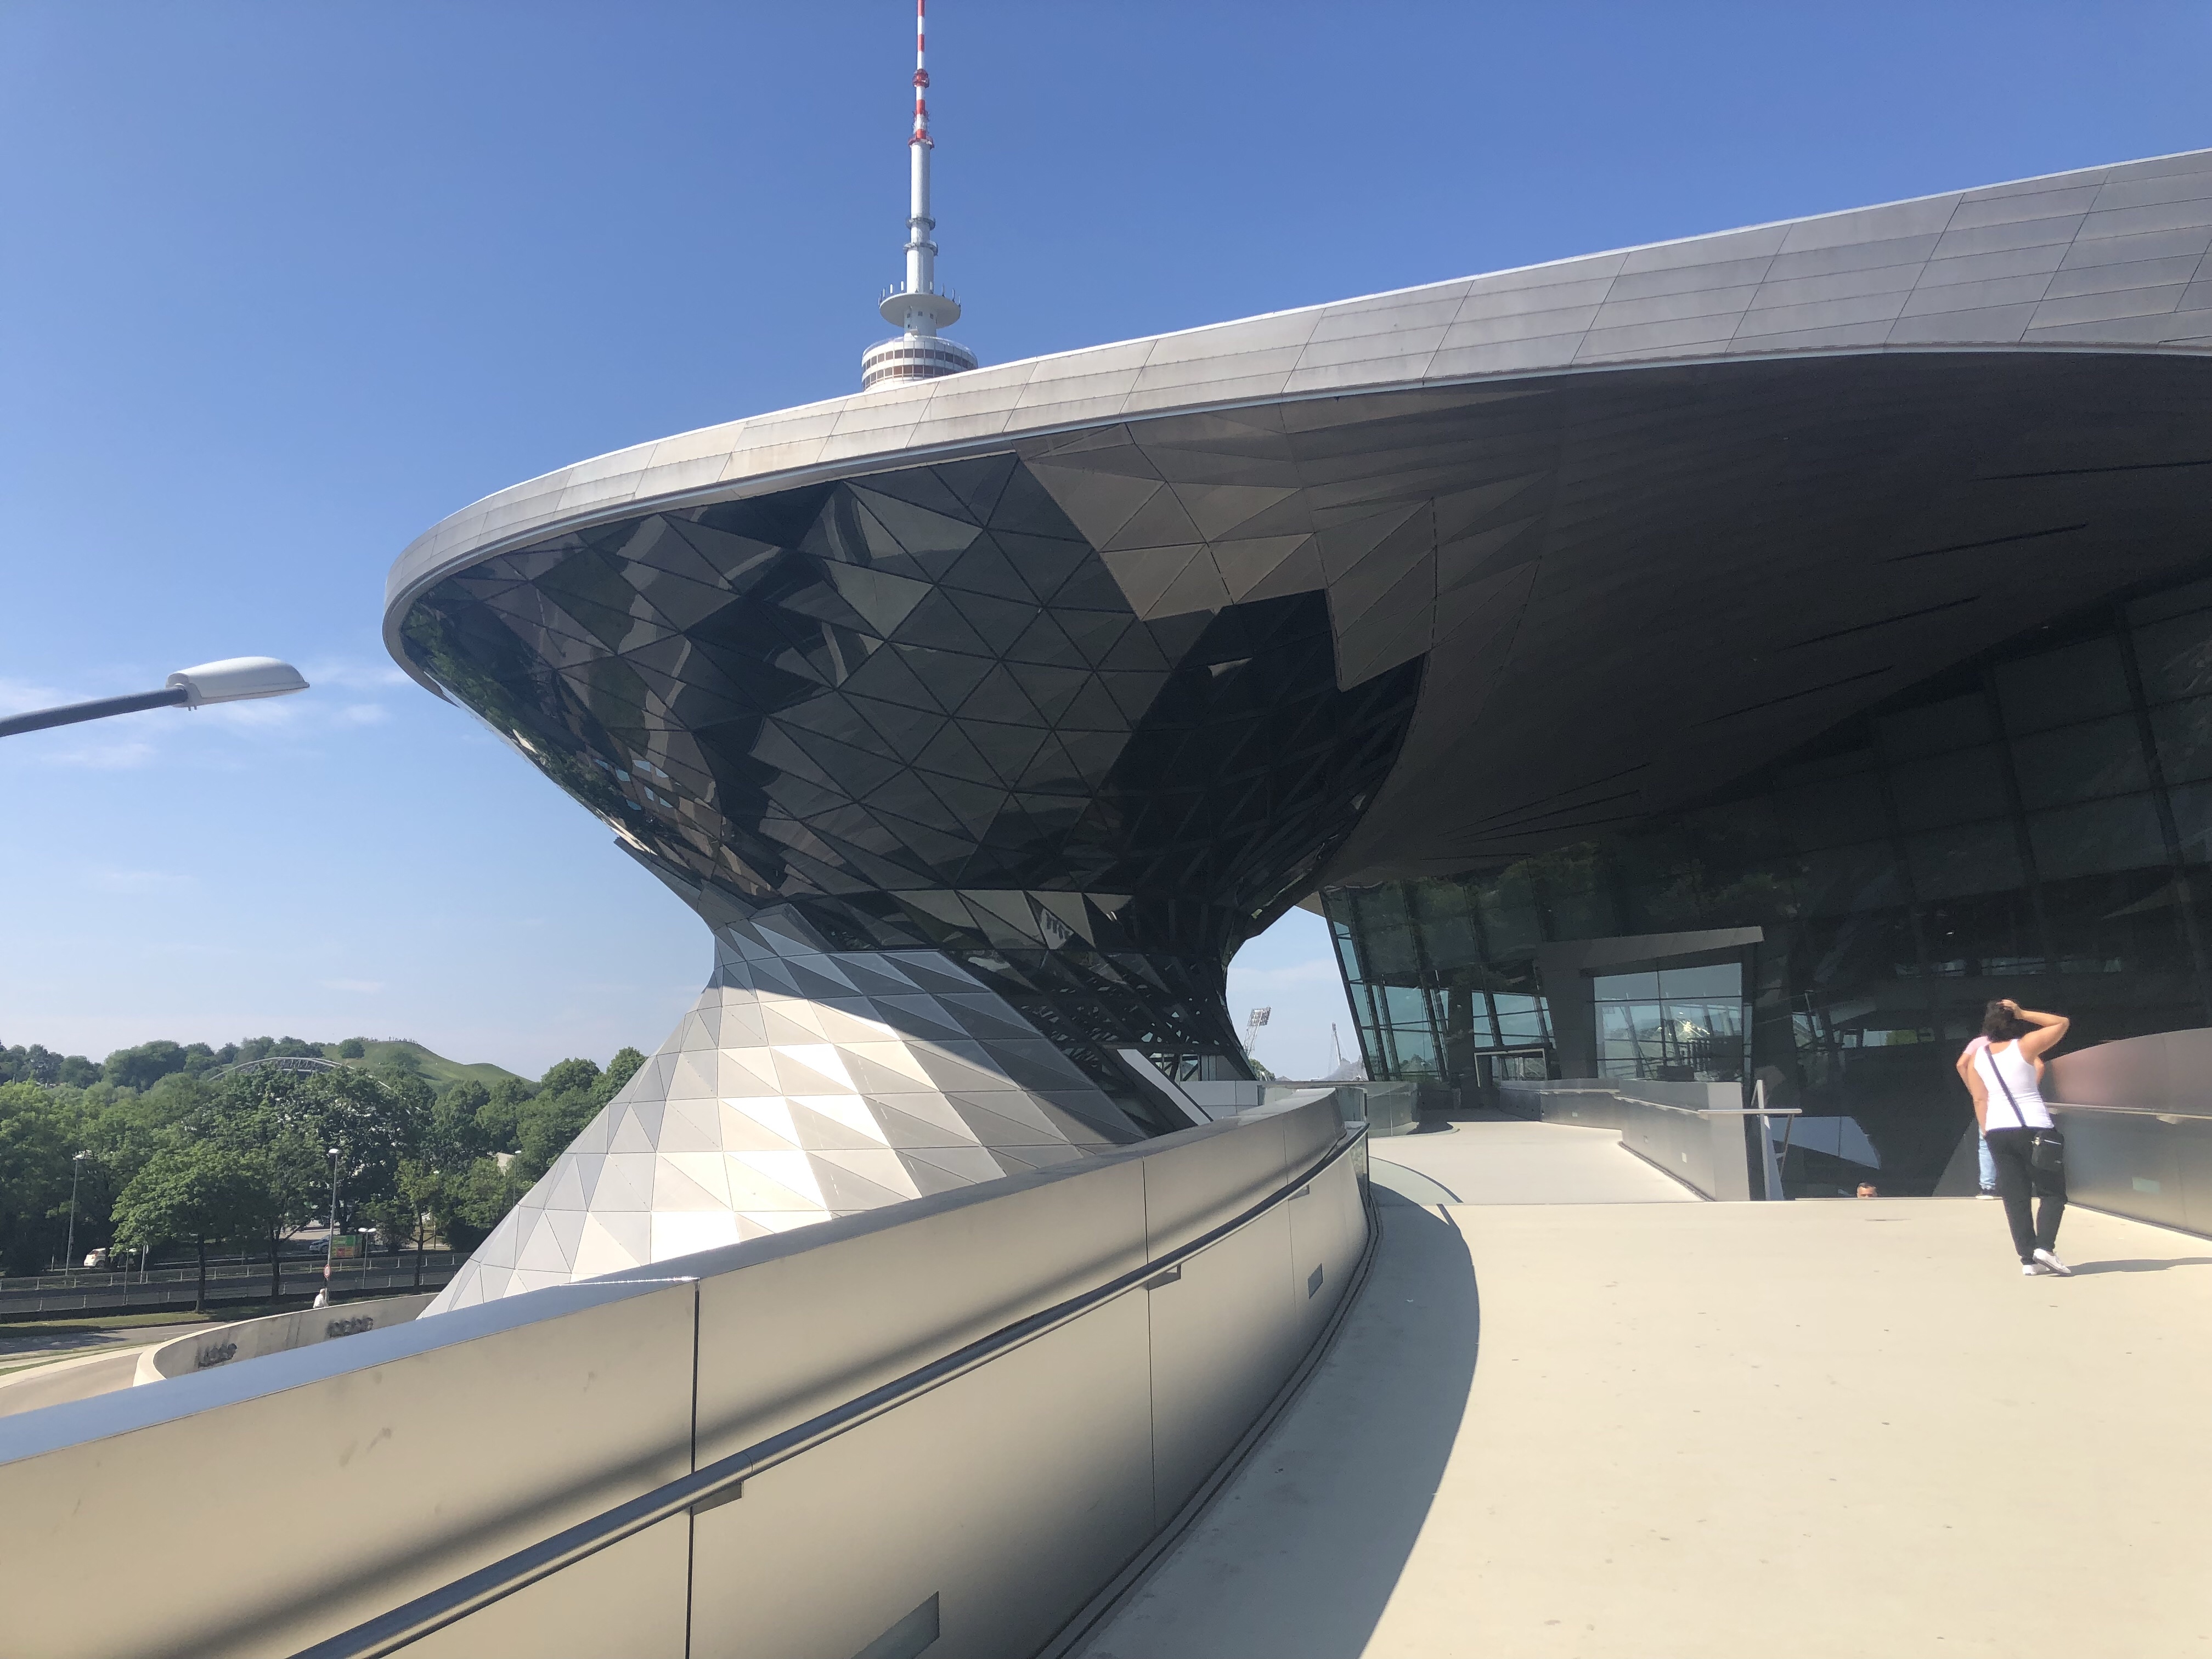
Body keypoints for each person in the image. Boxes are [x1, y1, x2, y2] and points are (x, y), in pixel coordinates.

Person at [1967, 998, 2072, 1276]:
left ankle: (2028, 1260)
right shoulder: (2024, 1047)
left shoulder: (1978, 1057)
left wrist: (1987, 1130)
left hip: (1997, 1131)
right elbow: (2061, 1023)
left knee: (2015, 1196)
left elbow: (1980, 1099)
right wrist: (2023, 1012)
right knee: (2052, 1192)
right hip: (2034, 1127)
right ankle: (2045, 1248)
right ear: (2014, 1022)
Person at [1954, 1035, 2000, 1198]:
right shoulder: (2016, 1042)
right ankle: (2022, 1182)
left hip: (1986, 1098)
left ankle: (1988, 1187)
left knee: (1986, 1142)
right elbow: (2039, 1066)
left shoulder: (1979, 1043)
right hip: (2012, 1098)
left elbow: (1961, 1064)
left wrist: (1973, 1088)